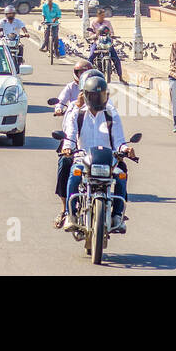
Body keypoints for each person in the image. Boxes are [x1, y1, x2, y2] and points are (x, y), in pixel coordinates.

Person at [61, 72, 134, 233]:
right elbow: (71, 135)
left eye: (100, 95)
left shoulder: (111, 114)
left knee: (121, 177)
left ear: (106, 96)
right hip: (83, 158)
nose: (97, 99)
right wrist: (67, 147)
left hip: (107, 160)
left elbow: (119, 140)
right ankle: (70, 214)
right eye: (93, 96)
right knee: (74, 175)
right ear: (86, 96)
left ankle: (117, 216)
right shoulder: (77, 114)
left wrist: (125, 149)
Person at [51, 59, 93, 228]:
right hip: (73, 141)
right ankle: (65, 209)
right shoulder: (74, 107)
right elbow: (61, 102)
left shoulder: (102, 100)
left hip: (95, 143)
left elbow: (113, 126)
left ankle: (114, 210)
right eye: (79, 73)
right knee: (64, 165)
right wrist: (60, 108)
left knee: (120, 170)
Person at [88, 8, 126, 84]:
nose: (103, 17)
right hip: (98, 43)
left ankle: (120, 77)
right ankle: (88, 75)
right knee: (90, 57)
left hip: (107, 43)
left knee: (116, 59)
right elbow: (91, 35)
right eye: (101, 15)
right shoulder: (93, 23)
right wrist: (95, 35)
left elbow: (111, 32)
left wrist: (112, 36)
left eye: (104, 15)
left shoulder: (108, 23)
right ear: (98, 15)